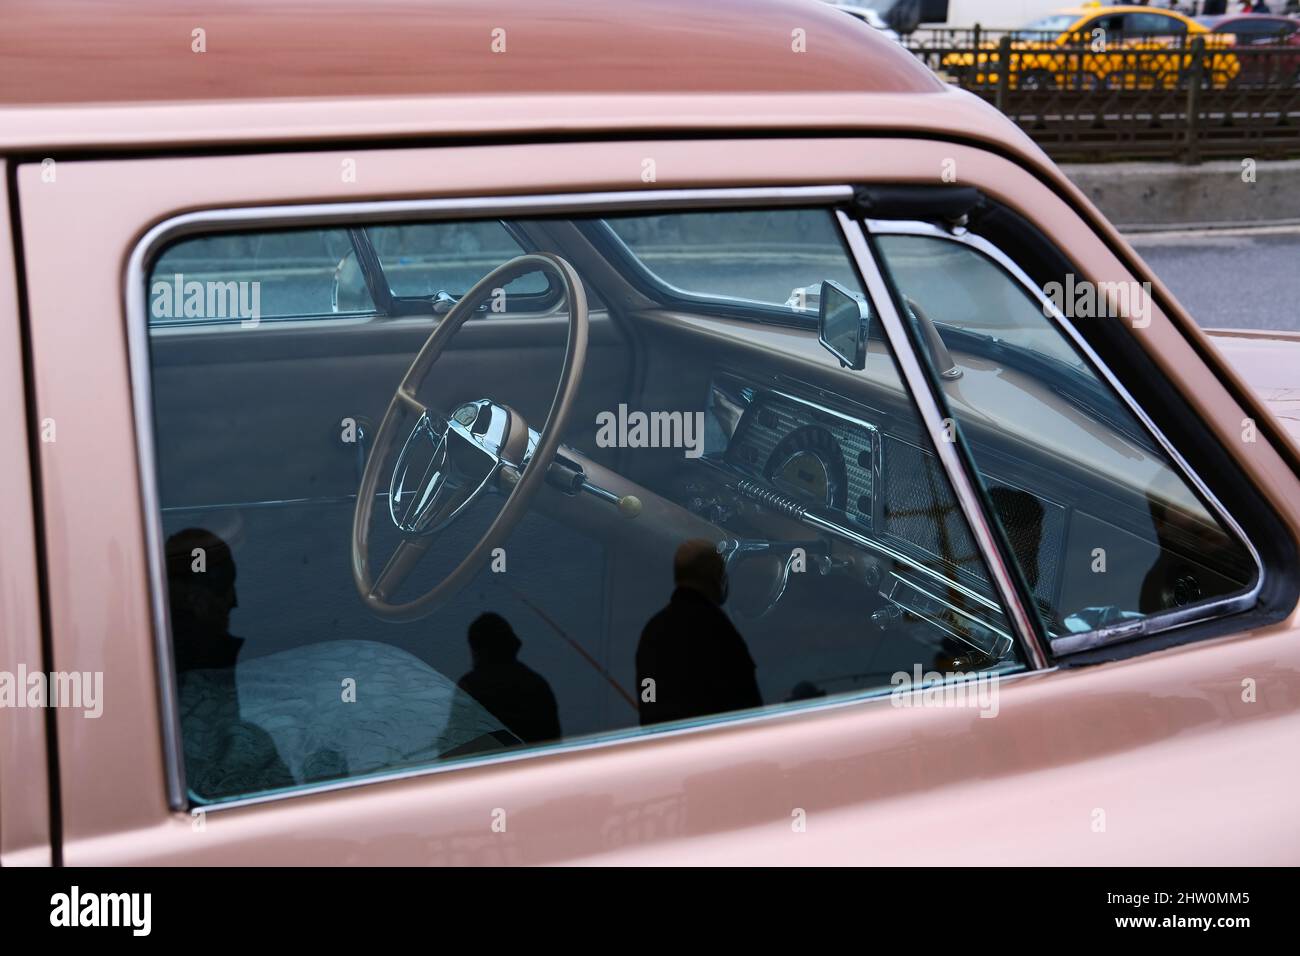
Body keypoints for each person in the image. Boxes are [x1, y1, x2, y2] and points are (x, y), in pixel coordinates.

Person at [636, 539, 762, 726]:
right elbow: (746, 702)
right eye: (722, 571)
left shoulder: (653, 629)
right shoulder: (717, 629)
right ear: (714, 576)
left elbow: (650, 700)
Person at [457, 613, 561, 744]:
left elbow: (454, 744)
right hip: (538, 763)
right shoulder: (536, 683)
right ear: (510, 643)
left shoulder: (469, 688)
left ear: (476, 649)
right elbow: (552, 744)